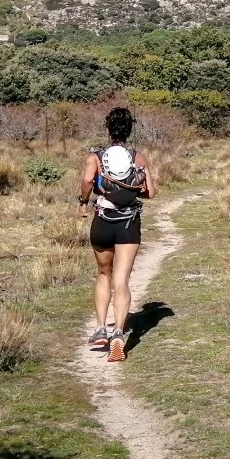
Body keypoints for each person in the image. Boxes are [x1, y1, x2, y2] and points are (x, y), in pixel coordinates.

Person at [78, 107, 156, 363]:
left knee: (103, 274)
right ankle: (119, 335)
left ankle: (101, 329)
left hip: (102, 222)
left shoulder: (95, 157)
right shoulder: (139, 157)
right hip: (128, 225)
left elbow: (87, 181)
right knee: (121, 281)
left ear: (108, 130)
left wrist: (83, 202)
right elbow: (150, 193)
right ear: (129, 130)